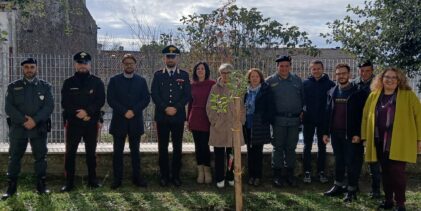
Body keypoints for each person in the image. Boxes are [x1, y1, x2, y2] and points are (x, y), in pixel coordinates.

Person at [361, 67, 421, 211]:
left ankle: (400, 203)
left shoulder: (408, 95)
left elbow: (419, 117)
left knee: (397, 173)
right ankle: (388, 201)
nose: (390, 80)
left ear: (399, 80)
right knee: (386, 172)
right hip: (379, 141)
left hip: (400, 142)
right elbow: (365, 117)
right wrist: (364, 137)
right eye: (387, 77)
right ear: (381, 79)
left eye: (394, 77)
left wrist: (419, 139)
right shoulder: (374, 95)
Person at [2, 58, 54, 199]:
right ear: (23, 69)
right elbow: (9, 108)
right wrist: (25, 120)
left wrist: (35, 120)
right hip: (19, 128)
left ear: (36, 68)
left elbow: (49, 106)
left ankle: (41, 186)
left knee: (41, 157)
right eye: (26, 67)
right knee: (14, 158)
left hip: (38, 128)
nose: (29, 69)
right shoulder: (13, 87)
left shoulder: (45, 86)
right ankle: (11, 188)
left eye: (32, 67)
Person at [322, 63, 368, 202]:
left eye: (343, 73)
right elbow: (327, 113)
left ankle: (352, 190)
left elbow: (363, 116)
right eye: (338, 74)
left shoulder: (359, 92)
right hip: (336, 134)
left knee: (352, 163)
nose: (341, 76)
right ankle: (338, 186)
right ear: (335, 75)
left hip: (352, 135)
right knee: (339, 161)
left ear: (349, 74)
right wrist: (325, 133)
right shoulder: (331, 91)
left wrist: (359, 134)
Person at [60, 51, 105, 192]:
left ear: (90, 65)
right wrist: (77, 113)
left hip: (91, 122)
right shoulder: (68, 82)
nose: (82, 66)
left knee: (91, 153)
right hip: (74, 122)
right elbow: (65, 102)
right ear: (75, 64)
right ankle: (69, 182)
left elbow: (100, 101)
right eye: (80, 63)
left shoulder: (97, 82)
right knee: (70, 153)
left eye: (85, 63)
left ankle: (92, 179)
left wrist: (88, 112)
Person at [107, 54, 150, 189]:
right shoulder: (114, 80)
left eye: (131, 63)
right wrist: (124, 111)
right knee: (117, 153)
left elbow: (145, 99)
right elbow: (111, 99)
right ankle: (117, 180)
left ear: (135, 65)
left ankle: (137, 178)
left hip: (135, 121)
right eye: (126, 63)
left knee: (135, 152)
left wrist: (134, 111)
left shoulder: (141, 81)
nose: (129, 65)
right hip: (119, 121)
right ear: (122, 65)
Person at [151, 45, 191, 187]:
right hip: (162, 116)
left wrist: (176, 108)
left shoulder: (184, 75)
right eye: (168, 57)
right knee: (162, 147)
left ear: (177, 58)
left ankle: (175, 176)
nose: (170, 59)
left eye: (173, 57)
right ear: (164, 58)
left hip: (178, 116)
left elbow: (187, 95)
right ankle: (164, 176)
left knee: (177, 147)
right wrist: (165, 108)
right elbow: (154, 94)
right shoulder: (158, 75)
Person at [266, 55, 304, 187]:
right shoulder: (270, 81)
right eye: (281, 66)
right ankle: (277, 176)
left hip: (294, 120)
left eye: (286, 66)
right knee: (278, 147)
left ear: (290, 66)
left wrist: (303, 111)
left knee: (291, 148)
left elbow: (303, 98)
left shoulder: (297, 80)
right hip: (278, 120)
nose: (284, 68)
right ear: (277, 67)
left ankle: (289, 175)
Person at [206, 63, 245, 188]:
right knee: (218, 154)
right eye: (223, 72)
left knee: (232, 154)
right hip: (219, 127)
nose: (225, 75)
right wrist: (215, 121)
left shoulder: (237, 88)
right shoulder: (214, 88)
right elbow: (210, 107)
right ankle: (219, 177)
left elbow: (243, 106)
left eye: (228, 72)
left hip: (234, 126)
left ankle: (230, 176)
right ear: (220, 74)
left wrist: (241, 121)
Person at [302, 60, 335, 184]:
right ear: (311, 70)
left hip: (323, 121)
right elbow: (301, 100)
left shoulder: (330, 84)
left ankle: (321, 171)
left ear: (323, 69)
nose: (316, 71)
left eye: (318, 68)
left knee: (322, 146)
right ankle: (307, 171)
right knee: (307, 146)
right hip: (308, 120)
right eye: (314, 69)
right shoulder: (305, 83)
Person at [352, 60, 381, 198]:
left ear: (372, 70)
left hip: (373, 126)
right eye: (362, 71)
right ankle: (353, 185)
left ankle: (376, 189)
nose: (364, 73)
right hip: (357, 125)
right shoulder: (354, 83)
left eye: (368, 71)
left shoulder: (378, 84)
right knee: (355, 158)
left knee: (374, 160)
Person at [243, 68, 273, 186]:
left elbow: (270, 107)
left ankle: (257, 176)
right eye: (252, 76)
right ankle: (251, 176)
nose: (254, 78)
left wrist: (264, 119)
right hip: (248, 123)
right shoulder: (245, 91)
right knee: (250, 151)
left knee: (258, 151)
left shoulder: (265, 89)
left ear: (260, 78)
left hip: (260, 123)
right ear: (249, 78)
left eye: (256, 76)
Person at [187, 61, 215, 184]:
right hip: (195, 116)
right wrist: (188, 119)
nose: (200, 70)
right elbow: (190, 104)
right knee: (198, 147)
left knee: (205, 146)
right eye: (198, 68)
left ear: (206, 71)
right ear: (195, 71)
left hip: (207, 117)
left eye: (202, 68)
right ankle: (200, 171)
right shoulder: (191, 85)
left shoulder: (212, 84)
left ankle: (207, 171)